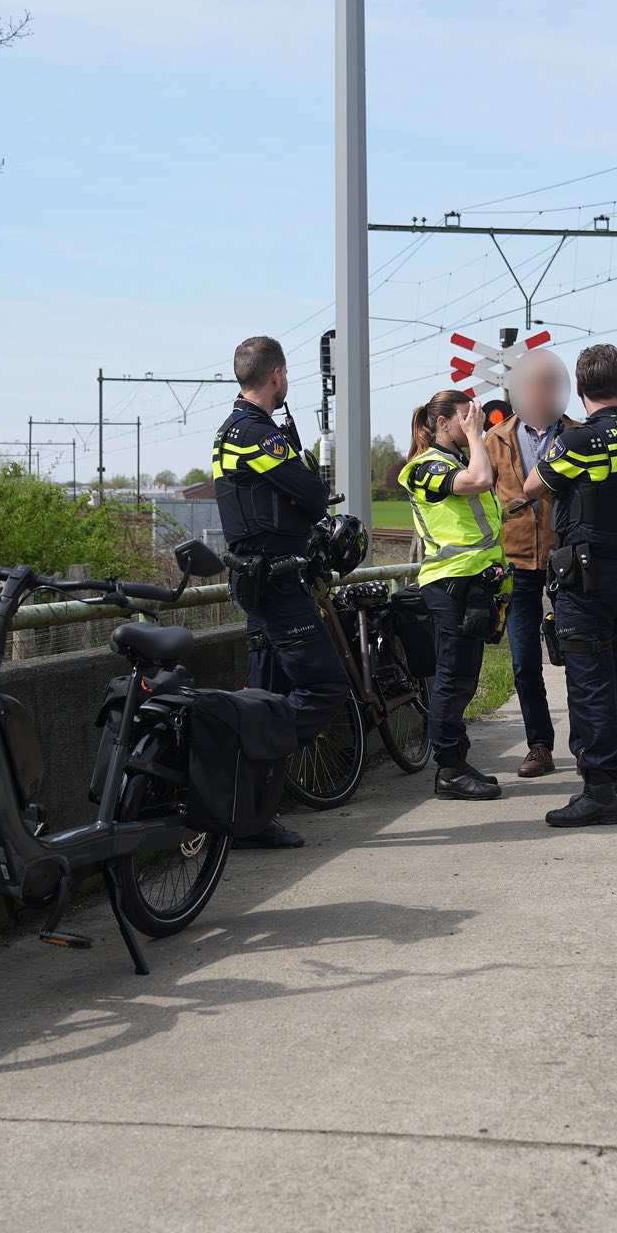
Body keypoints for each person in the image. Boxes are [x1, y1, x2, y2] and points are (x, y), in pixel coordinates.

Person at [211, 335, 350, 848]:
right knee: (324, 688)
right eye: (286, 376)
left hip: (256, 579)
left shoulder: (230, 430)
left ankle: (251, 821)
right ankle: (242, 750)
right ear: (276, 375)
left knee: (264, 696)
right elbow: (312, 496)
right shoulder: (257, 435)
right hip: (278, 582)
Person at [520, 343, 617, 827]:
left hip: (586, 577)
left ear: (578, 389)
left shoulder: (582, 440)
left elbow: (533, 486)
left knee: (589, 684)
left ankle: (597, 789)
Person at [399, 390, 507, 801]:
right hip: (449, 584)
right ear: (442, 422)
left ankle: (458, 761)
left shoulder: (456, 461)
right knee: (450, 676)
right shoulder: (422, 468)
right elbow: (480, 480)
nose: (472, 422)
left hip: (473, 583)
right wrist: (477, 436)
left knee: (465, 676)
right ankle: (447, 769)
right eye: (464, 417)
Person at [486, 349, 576, 779]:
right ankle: (539, 745)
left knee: (578, 656)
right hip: (517, 564)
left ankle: (587, 745)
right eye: (532, 385)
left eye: (548, 384)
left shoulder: (578, 434)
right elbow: (485, 495)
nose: (540, 392)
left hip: (566, 561)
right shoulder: (494, 439)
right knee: (524, 663)